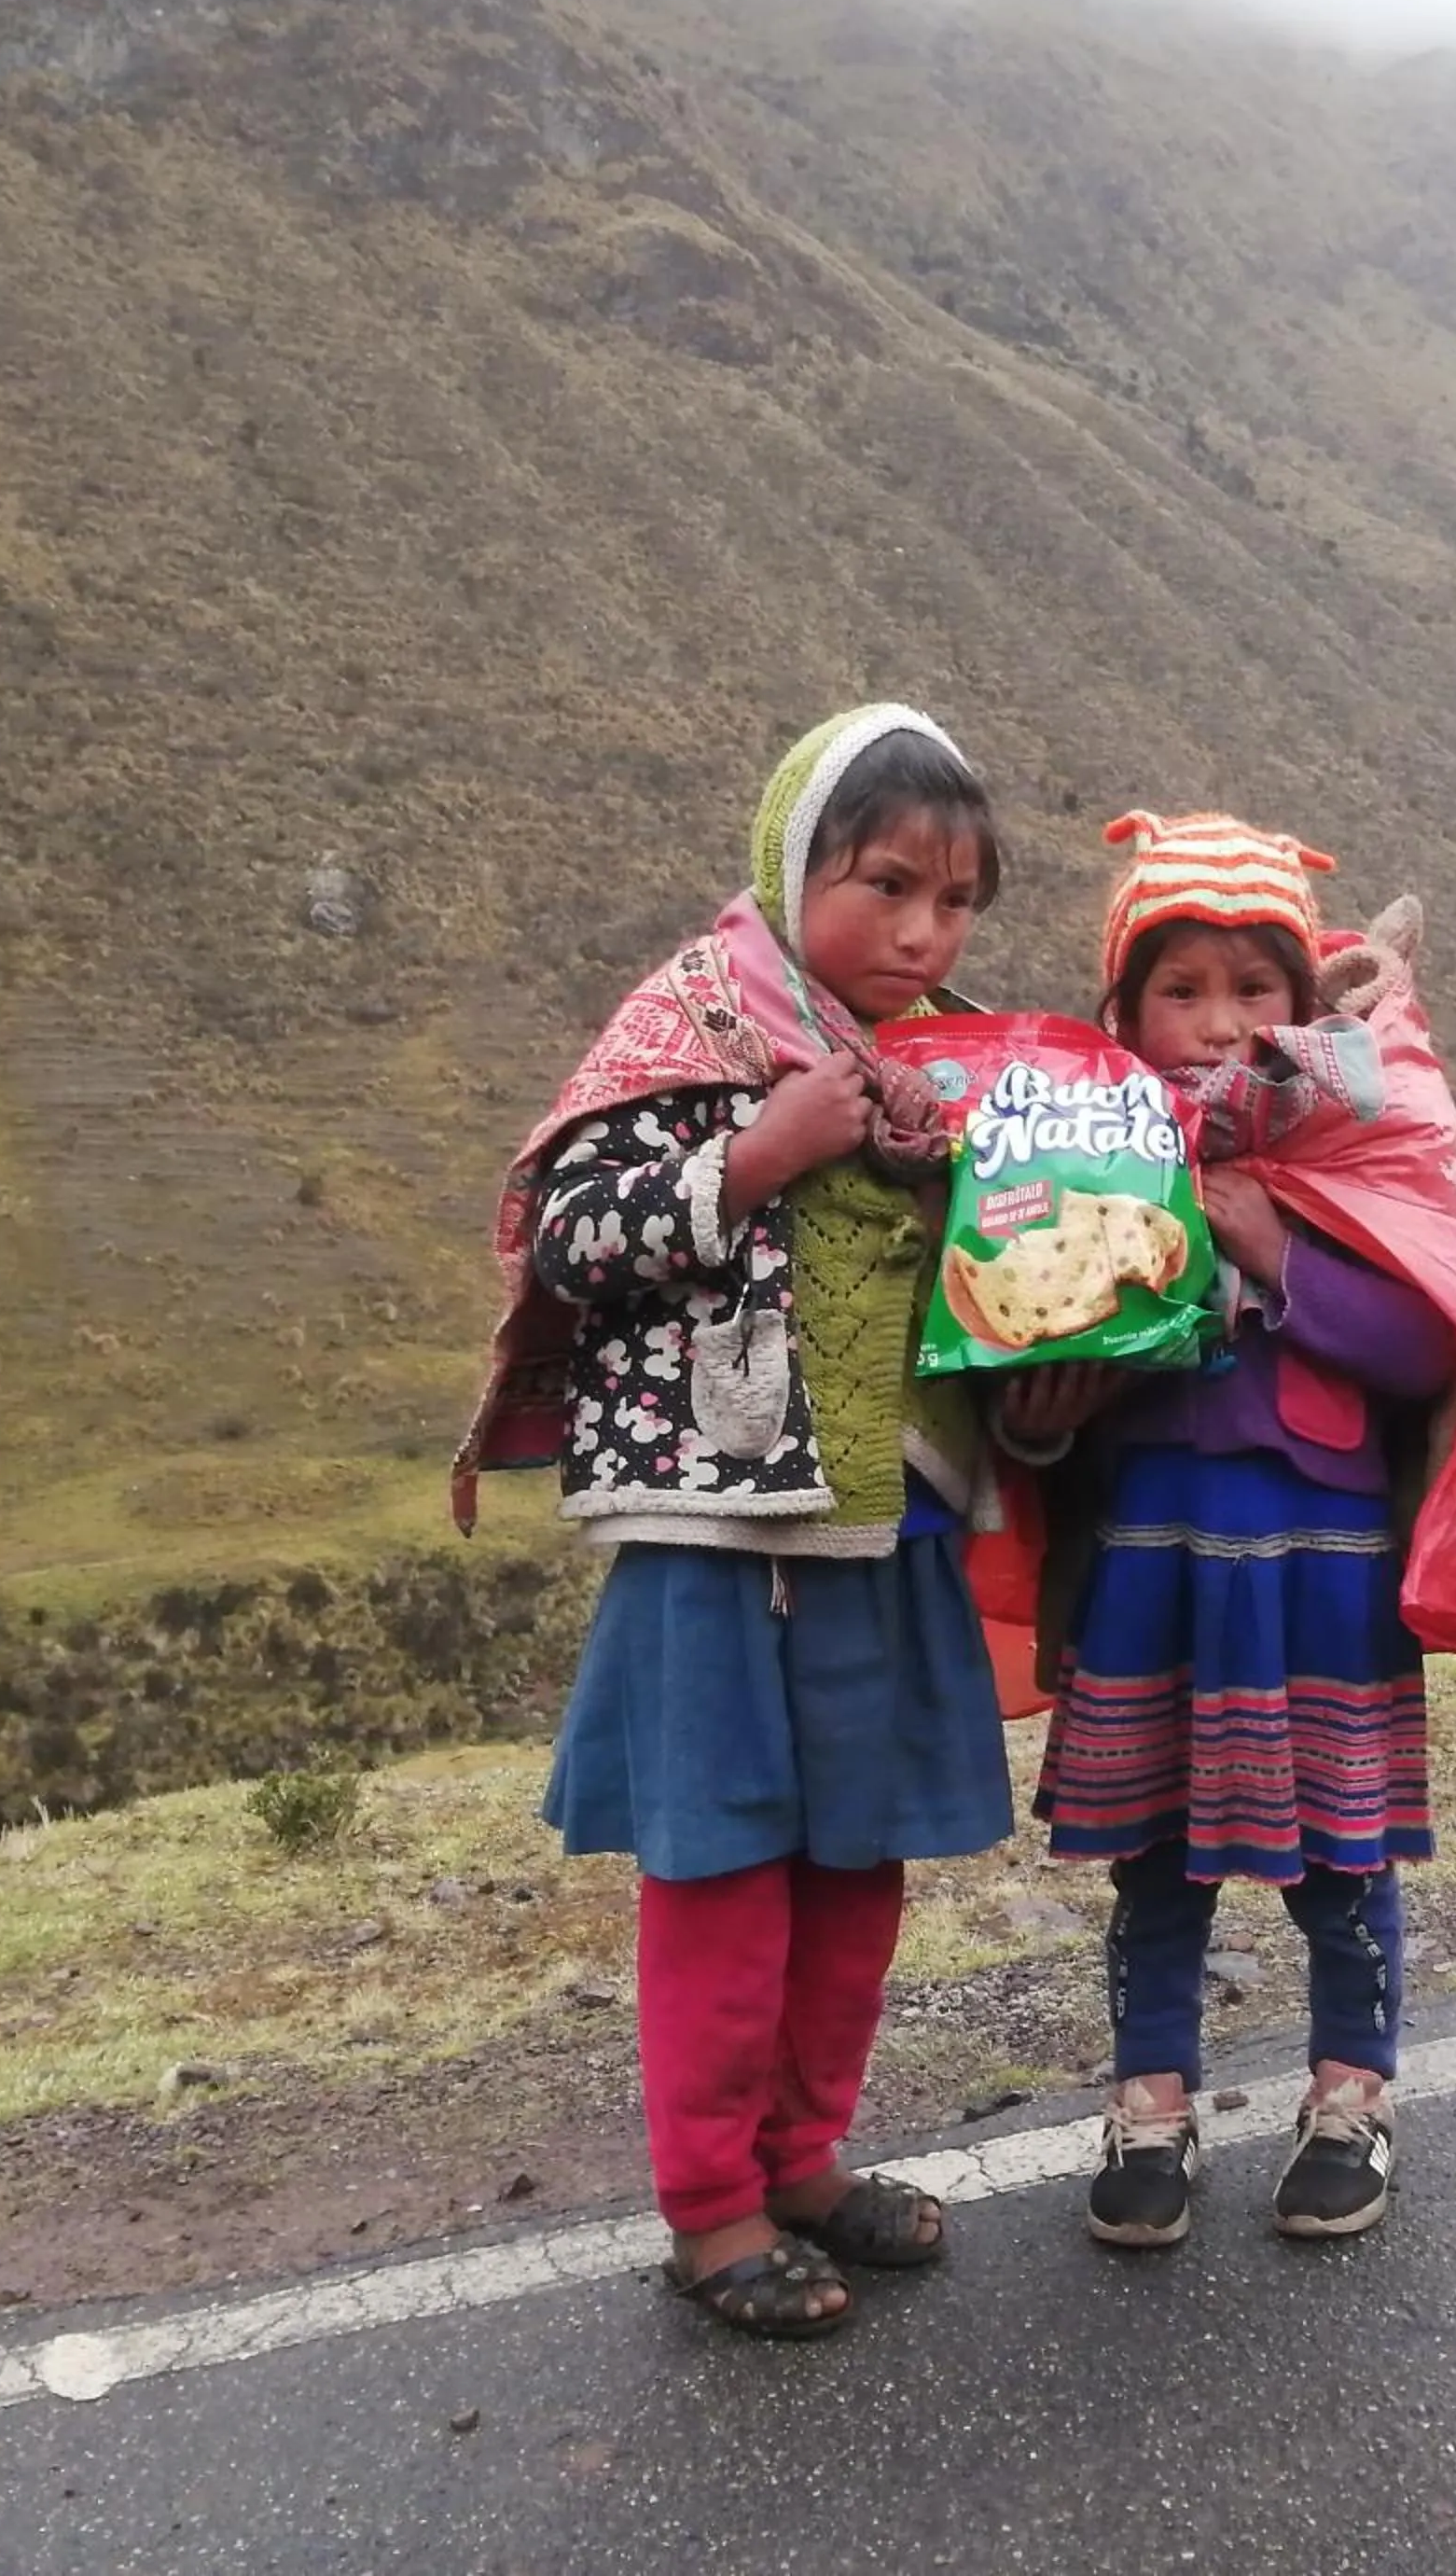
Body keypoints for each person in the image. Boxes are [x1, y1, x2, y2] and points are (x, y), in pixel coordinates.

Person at [452, 704, 1011, 2339]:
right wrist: (755, 1157)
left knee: (857, 1867)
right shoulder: (689, 1020)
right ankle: (710, 2212)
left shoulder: (965, 1069)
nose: (922, 934)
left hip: (890, 1531)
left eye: (955, 902)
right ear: (791, 865)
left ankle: (803, 2162)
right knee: (720, 1874)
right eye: (886, 886)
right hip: (721, 1543)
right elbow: (568, 1237)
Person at [1002, 813, 1456, 2249]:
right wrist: (1042, 1421)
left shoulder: (1357, 1144)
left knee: (1343, 1859)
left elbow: (1428, 1343)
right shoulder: (1075, 1163)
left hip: (1328, 1567)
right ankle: (1151, 2108)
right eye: (1181, 990)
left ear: (1300, 999)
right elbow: (1024, 1362)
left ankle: (1351, 2098)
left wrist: (1275, 1247)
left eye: (1252, 989)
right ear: (1124, 1012)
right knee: (1154, 1865)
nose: (1216, 1023)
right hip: (1150, 1567)